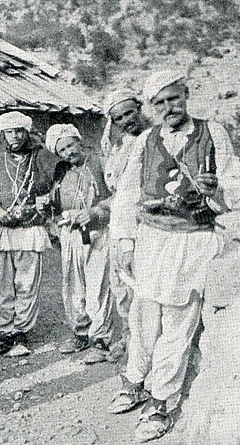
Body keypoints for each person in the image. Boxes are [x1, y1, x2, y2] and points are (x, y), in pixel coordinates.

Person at [108, 70, 240, 442]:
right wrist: (124, 240)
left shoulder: (212, 132)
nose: (169, 108)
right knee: (143, 315)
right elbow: (126, 194)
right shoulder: (145, 141)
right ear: (151, 108)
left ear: (185, 96)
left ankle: (162, 401)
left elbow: (237, 183)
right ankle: (135, 380)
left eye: (174, 99)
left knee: (178, 321)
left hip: (192, 241)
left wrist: (217, 186)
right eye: (160, 103)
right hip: (152, 240)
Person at [0, 112, 54, 357]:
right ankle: (5, 333)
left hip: (29, 230)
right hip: (2, 231)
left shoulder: (41, 158)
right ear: (2, 134)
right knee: (1, 285)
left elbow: (53, 187)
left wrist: (38, 205)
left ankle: (22, 334)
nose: (15, 136)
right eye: (9, 132)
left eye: (19, 131)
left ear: (27, 132)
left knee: (26, 283)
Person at [45, 124, 114, 364]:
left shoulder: (100, 163)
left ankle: (101, 340)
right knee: (73, 288)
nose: (68, 152)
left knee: (97, 288)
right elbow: (54, 203)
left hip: (97, 232)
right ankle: (80, 333)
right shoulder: (60, 171)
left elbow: (118, 196)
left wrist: (95, 212)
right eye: (62, 149)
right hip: (71, 234)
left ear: (78, 141)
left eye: (70, 145)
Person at [100, 88, 151, 362]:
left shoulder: (152, 139)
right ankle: (128, 335)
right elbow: (118, 191)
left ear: (139, 109)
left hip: (142, 225)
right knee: (120, 285)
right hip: (118, 224)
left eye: (130, 112)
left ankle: (144, 345)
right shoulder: (119, 146)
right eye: (119, 117)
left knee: (141, 286)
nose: (126, 120)